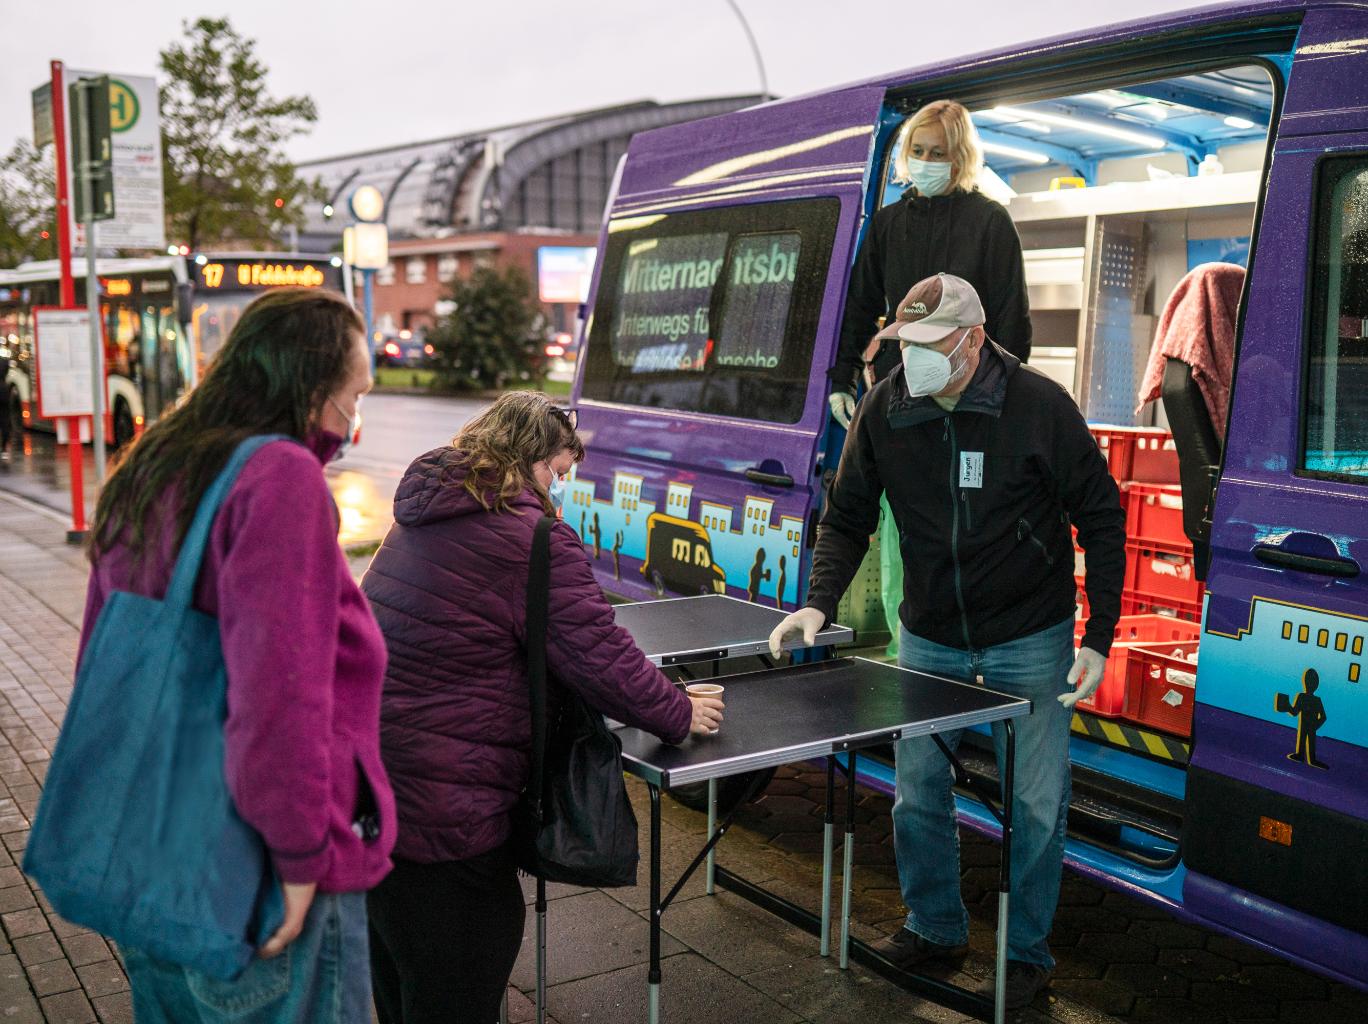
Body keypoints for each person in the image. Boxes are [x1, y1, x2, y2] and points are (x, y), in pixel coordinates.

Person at [771, 274, 1125, 1010]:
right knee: (916, 794)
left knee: (1034, 803)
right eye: (908, 346)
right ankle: (936, 925)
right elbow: (847, 517)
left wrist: (1099, 635)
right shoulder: (888, 406)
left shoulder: (1038, 407)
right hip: (928, 635)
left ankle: (1026, 952)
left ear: (973, 339)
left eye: (933, 345)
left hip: (1031, 635)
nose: (917, 361)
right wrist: (817, 603)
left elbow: (1100, 515)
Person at [360, 391, 725, 1024]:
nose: (560, 488)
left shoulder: (420, 515)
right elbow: (597, 651)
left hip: (375, 788)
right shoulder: (531, 539)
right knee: (466, 968)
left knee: (401, 977)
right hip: (450, 808)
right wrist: (676, 711)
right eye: (557, 472)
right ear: (527, 458)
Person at [82, 287, 394, 1022]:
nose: (355, 424)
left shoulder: (155, 463)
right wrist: (296, 854)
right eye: (356, 396)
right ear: (311, 385)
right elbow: (280, 697)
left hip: (153, 845)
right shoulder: (279, 479)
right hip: (254, 872)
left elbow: (102, 661)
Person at [826, 99, 1032, 658]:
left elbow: (1012, 322)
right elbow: (859, 305)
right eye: (916, 151)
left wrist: (1003, 403)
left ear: (959, 156)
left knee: (975, 528)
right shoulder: (889, 224)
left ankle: (979, 655)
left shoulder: (990, 222)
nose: (924, 161)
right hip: (904, 400)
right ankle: (910, 655)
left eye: (937, 153)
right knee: (904, 533)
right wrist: (841, 380)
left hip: (975, 403)